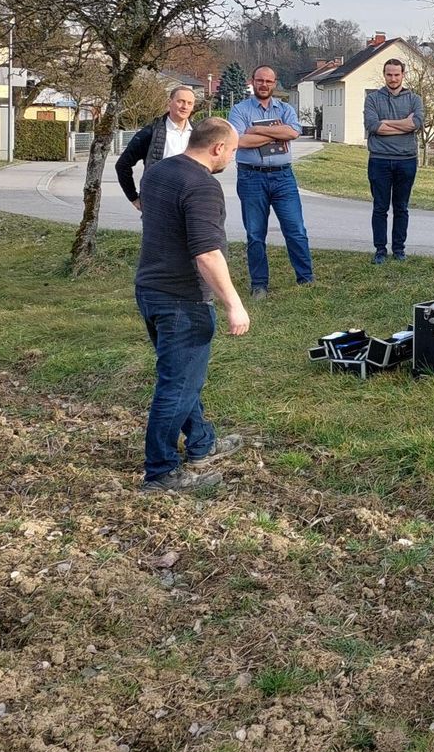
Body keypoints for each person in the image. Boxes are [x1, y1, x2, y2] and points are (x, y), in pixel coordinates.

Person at [134, 117, 251, 493]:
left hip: (149, 289)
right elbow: (207, 254)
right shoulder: (202, 186)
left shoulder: (158, 172)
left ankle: (201, 443)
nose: (232, 158)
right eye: (232, 150)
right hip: (182, 300)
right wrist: (234, 303)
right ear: (217, 148)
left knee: (184, 377)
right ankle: (161, 471)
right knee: (177, 385)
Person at [227, 66, 313, 299]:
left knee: (295, 230)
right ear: (252, 81)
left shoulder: (286, 109)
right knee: (255, 233)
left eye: (269, 81)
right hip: (251, 177)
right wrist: (275, 132)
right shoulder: (239, 109)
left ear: (275, 84)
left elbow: (294, 133)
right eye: (260, 80)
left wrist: (255, 129)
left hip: (283, 176)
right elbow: (239, 141)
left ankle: (306, 279)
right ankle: (259, 285)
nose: (264, 84)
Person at [364, 57, 423, 265]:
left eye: (397, 74)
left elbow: (415, 124)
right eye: (389, 74)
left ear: (403, 75)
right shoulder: (372, 99)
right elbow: (373, 126)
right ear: (384, 75)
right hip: (379, 160)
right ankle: (380, 250)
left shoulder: (415, 99)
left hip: (406, 161)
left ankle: (399, 249)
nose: (393, 78)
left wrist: (387, 123)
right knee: (380, 207)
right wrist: (401, 124)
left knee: (401, 207)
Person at [115, 85, 196, 209]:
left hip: (190, 200)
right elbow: (122, 165)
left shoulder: (198, 133)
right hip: (159, 200)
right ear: (170, 102)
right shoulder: (151, 132)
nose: (185, 106)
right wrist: (133, 198)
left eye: (189, 103)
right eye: (180, 101)